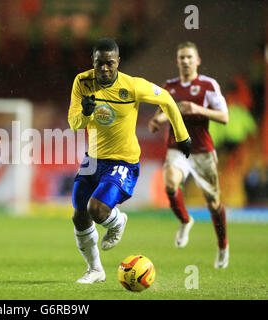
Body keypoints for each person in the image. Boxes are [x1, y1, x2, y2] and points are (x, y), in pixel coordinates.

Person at [68, 38, 191, 284]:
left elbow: (166, 99)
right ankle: (95, 270)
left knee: (97, 209)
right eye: (99, 63)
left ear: (118, 63)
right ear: (93, 61)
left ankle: (117, 220)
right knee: (79, 215)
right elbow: (74, 124)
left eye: (109, 64)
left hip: (122, 162)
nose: (103, 69)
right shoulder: (82, 82)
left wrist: (182, 135)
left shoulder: (133, 86)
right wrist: (86, 112)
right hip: (92, 160)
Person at [148, 41, 229, 268]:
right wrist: (156, 121)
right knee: (170, 185)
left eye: (189, 57)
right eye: (181, 57)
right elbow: (163, 111)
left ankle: (222, 245)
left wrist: (198, 109)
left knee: (213, 203)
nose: (185, 61)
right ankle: (185, 221)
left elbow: (224, 117)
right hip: (178, 147)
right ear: (177, 61)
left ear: (197, 60)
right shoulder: (169, 87)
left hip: (202, 150)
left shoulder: (208, 85)